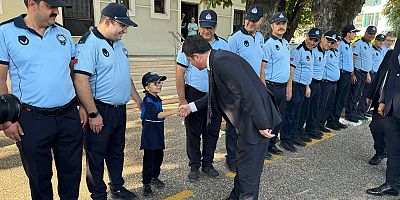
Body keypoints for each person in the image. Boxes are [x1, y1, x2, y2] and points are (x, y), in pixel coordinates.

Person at [0, 0, 87, 199]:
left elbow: (73, 73)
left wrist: (82, 104)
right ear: (32, 3)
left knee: (72, 174)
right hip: (31, 119)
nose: (57, 11)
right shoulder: (6, 32)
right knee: (39, 178)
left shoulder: (63, 34)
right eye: (51, 6)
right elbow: (0, 79)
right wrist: (7, 120)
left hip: (68, 116)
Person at [179, 35, 281, 200]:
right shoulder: (216, 61)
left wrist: (262, 124)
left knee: (250, 175)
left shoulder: (222, 62)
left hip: (256, 122)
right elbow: (214, 95)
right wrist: (191, 107)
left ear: (197, 57)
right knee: (243, 164)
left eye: (190, 61)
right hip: (248, 121)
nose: (190, 64)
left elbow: (248, 93)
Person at [73, 3, 142, 200]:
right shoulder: (88, 44)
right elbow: (80, 80)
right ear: (107, 21)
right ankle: (98, 194)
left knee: (116, 151)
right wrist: (93, 113)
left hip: (120, 110)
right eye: (122, 25)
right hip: (100, 110)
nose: (125, 30)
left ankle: (117, 187)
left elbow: (124, 76)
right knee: (96, 155)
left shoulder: (120, 45)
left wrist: (137, 99)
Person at [175, 9, 229, 181]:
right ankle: (194, 166)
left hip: (215, 96)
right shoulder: (188, 45)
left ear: (215, 27)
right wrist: (183, 100)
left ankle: (208, 164)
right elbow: (179, 74)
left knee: (212, 131)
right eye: (204, 26)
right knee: (193, 133)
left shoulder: (224, 45)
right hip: (194, 95)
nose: (207, 31)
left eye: (211, 27)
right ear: (198, 25)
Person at [226, 4, 267, 166]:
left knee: (249, 123)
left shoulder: (261, 38)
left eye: (255, 20)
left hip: (254, 88)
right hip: (237, 89)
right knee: (233, 124)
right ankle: (231, 158)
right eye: (249, 19)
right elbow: (228, 66)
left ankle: (243, 154)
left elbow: (260, 64)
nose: (251, 23)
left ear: (261, 21)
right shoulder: (234, 39)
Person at [366, 38, 400, 197]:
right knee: (392, 146)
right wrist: (382, 100)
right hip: (391, 105)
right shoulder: (393, 54)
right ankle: (392, 184)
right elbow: (386, 75)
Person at [279, 28, 320, 152]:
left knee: (298, 113)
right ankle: (285, 139)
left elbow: (308, 71)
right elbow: (291, 71)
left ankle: (293, 135)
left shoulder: (311, 51)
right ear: (306, 36)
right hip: (295, 86)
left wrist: (307, 86)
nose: (312, 42)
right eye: (310, 38)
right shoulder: (298, 51)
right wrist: (289, 88)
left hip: (303, 87)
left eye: (315, 40)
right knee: (290, 113)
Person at [140, 72, 177, 197]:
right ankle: (146, 184)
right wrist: (175, 110)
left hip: (158, 135)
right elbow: (158, 115)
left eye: (160, 82)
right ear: (146, 87)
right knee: (149, 160)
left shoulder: (157, 98)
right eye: (155, 83)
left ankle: (154, 177)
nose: (159, 85)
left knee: (158, 158)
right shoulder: (147, 101)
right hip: (150, 136)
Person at [298, 31, 336, 141]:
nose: (329, 44)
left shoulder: (326, 52)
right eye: (327, 41)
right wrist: (307, 86)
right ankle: (300, 131)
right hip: (310, 83)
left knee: (315, 108)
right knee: (304, 109)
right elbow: (308, 69)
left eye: (331, 42)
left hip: (318, 83)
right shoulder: (313, 51)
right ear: (322, 39)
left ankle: (310, 129)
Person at [262, 12, 290, 158]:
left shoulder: (285, 43)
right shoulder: (268, 44)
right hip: (271, 86)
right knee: (269, 119)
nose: (281, 26)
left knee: (278, 118)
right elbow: (262, 68)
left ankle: (272, 145)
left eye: (283, 23)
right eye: (278, 23)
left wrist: (288, 87)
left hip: (282, 86)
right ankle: (264, 148)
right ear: (272, 25)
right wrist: (263, 89)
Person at [326, 24, 360, 130]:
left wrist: (351, 73)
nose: (355, 34)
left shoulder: (349, 44)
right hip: (341, 73)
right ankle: (331, 121)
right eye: (353, 32)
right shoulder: (340, 44)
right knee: (337, 98)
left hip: (347, 74)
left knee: (342, 99)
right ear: (348, 33)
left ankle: (336, 119)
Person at [364, 34, 388, 166]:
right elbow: (380, 75)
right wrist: (371, 94)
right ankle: (380, 151)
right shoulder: (390, 55)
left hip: (395, 101)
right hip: (381, 98)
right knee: (375, 126)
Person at [345, 26, 376, 123]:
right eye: (370, 33)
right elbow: (353, 60)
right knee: (353, 94)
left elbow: (368, 60)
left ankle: (354, 112)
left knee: (358, 94)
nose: (371, 36)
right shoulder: (358, 44)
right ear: (366, 32)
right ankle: (349, 113)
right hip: (357, 72)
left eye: (373, 34)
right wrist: (352, 74)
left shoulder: (369, 44)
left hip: (364, 73)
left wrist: (367, 73)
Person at [316, 34, 341, 134]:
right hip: (325, 82)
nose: (334, 43)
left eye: (335, 41)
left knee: (328, 105)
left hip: (334, 83)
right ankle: (316, 125)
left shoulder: (335, 52)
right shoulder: (325, 52)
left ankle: (321, 124)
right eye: (331, 41)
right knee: (321, 105)